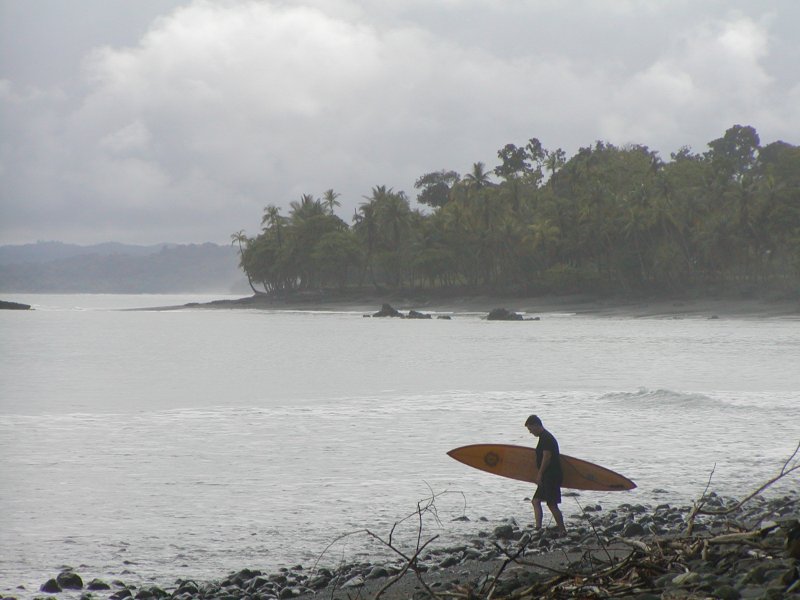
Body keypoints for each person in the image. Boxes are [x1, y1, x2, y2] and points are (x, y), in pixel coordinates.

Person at [525, 414, 567, 534]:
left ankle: (562, 530)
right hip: (546, 476)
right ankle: (538, 528)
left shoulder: (547, 438)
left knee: (552, 504)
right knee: (536, 501)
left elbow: (547, 457)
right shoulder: (543, 437)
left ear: (536, 425)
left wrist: (539, 474)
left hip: (551, 476)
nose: (530, 432)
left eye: (530, 429)